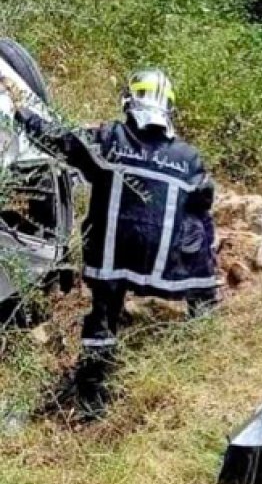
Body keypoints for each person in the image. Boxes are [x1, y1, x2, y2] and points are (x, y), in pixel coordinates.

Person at [0, 68, 218, 419]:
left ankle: (91, 397)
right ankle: (203, 314)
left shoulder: (110, 139)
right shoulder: (188, 158)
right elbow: (204, 200)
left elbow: (57, 140)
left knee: (102, 317)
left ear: (130, 102)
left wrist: (19, 111)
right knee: (201, 225)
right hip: (166, 272)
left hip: (111, 262)